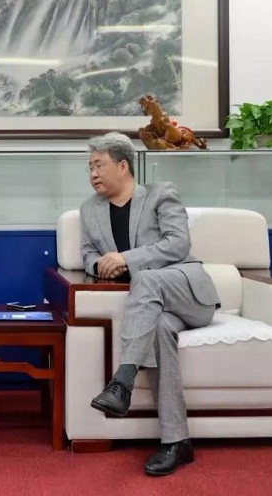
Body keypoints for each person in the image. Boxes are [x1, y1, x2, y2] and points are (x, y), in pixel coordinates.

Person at [80, 132, 220, 476]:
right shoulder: (89, 209)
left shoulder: (161, 194)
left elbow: (178, 244)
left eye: (99, 165)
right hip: (152, 309)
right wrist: (101, 265)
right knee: (156, 330)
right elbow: (87, 254)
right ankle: (177, 442)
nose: (93, 173)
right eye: (90, 167)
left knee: (144, 278)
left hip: (187, 293)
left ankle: (122, 380)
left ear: (123, 166)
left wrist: (126, 259)